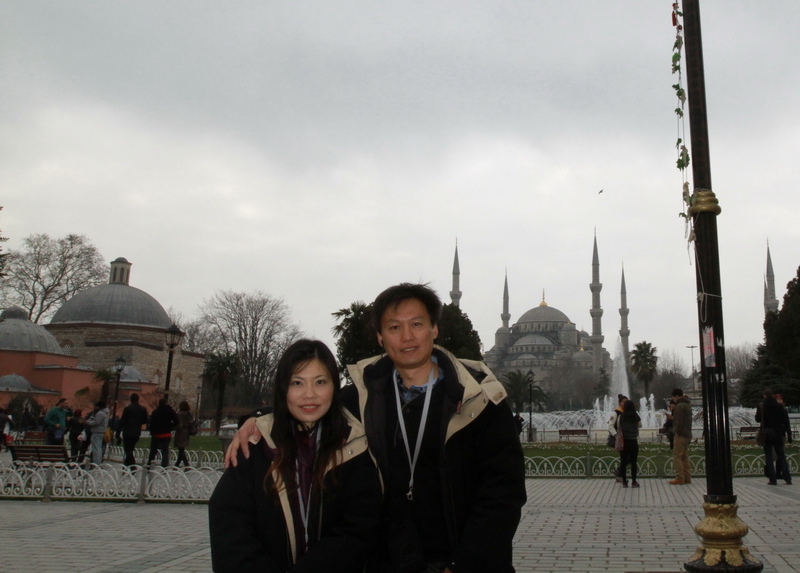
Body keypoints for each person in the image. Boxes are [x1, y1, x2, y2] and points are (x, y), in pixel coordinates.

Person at [228, 283, 527, 573]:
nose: (407, 337)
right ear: (381, 337)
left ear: (434, 329)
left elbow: (503, 494)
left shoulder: (481, 399)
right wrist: (256, 419)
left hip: (464, 562)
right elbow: (309, 407)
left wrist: (464, 565)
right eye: (395, 327)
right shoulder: (361, 399)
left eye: (417, 324)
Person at [210, 339, 381, 572]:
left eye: (320, 382)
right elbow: (230, 527)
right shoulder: (256, 446)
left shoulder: (355, 447)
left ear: (335, 387)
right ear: (283, 389)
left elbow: (358, 530)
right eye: (297, 383)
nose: (309, 395)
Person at [756, 388, 792, 486]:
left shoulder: (761, 405)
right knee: (781, 455)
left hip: (767, 434)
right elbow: (784, 420)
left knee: (768, 457)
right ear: (772, 395)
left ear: (764, 396)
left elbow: (758, 419)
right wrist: (788, 434)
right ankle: (787, 478)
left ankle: (772, 479)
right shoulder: (779, 406)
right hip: (778, 433)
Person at [117, 393, 149, 466]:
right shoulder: (143, 409)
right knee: (130, 449)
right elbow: (145, 420)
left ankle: (133, 466)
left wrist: (118, 433)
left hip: (127, 432)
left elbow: (122, 421)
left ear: (131, 400)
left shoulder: (127, 409)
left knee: (128, 450)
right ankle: (126, 466)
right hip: (137, 432)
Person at [669, 388, 693, 485]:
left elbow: (679, 422)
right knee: (684, 456)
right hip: (687, 434)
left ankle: (679, 477)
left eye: (673, 397)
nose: (673, 400)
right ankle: (687, 477)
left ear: (676, 396)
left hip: (681, 434)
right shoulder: (687, 405)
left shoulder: (679, 406)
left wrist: (675, 432)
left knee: (677, 456)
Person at [147, 398, 178, 467]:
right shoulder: (170, 411)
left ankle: (149, 465)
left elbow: (152, 423)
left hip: (156, 434)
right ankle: (164, 467)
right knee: (165, 452)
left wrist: (152, 432)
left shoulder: (156, 411)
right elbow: (176, 421)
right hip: (166, 433)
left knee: (153, 451)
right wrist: (170, 426)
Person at [618, 399, 642, 488]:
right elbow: (640, 425)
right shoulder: (636, 416)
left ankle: (624, 482)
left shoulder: (621, 416)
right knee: (633, 462)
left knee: (623, 461)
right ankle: (634, 482)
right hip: (633, 441)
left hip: (624, 441)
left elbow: (619, 426)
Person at [608, 394, 628, 482]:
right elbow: (610, 426)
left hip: (626, 438)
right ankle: (620, 474)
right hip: (619, 439)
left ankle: (619, 473)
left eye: (627, 402)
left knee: (626, 457)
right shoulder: (616, 413)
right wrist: (616, 436)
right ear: (620, 403)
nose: (625, 403)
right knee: (626, 457)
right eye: (624, 402)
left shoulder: (627, 412)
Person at [84, 400, 110, 465]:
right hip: (101, 432)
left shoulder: (100, 413)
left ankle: (96, 462)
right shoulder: (106, 413)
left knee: (96, 448)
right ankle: (98, 462)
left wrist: (87, 422)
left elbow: (96, 422)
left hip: (97, 432)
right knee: (99, 448)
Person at [174, 401, 194, 468]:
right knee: (181, 449)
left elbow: (180, 424)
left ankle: (186, 464)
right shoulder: (189, 414)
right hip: (187, 432)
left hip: (181, 432)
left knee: (181, 449)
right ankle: (177, 465)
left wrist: (174, 427)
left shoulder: (179, 414)